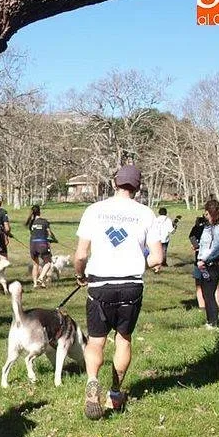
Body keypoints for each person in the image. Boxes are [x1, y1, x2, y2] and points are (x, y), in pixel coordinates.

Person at [74, 165, 162, 420]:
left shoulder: (94, 210)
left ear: (114, 183)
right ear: (138, 188)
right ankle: (114, 393)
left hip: (100, 284)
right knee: (123, 338)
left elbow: (80, 255)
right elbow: (157, 257)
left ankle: (92, 381)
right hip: (131, 284)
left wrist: (80, 275)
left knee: (96, 341)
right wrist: (139, 264)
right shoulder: (146, 213)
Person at [193, 198, 219, 330]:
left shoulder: (218, 229)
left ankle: (213, 323)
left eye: (206, 213)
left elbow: (216, 249)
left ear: (211, 213)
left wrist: (204, 260)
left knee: (209, 294)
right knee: (206, 293)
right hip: (204, 265)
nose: (205, 215)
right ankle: (209, 320)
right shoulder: (208, 228)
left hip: (212, 265)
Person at [25, 205, 57, 287]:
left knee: (35, 264)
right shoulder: (44, 221)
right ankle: (41, 278)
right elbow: (49, 234)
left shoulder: (31, 223)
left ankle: (35, 284)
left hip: (33, 245)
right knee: (48, 262)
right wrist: (54, 239)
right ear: (39, 212)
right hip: (42, 244)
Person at [151, 207, 175, 271]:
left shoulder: (156, 219)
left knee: (156, 251)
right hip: (165, 238)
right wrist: (174, 228)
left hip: (157, 238)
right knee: (164, 251)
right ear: (166, 213)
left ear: (159, 212)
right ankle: (163, 263)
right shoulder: (168, 220)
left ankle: (156, 263)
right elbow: (171, 231)